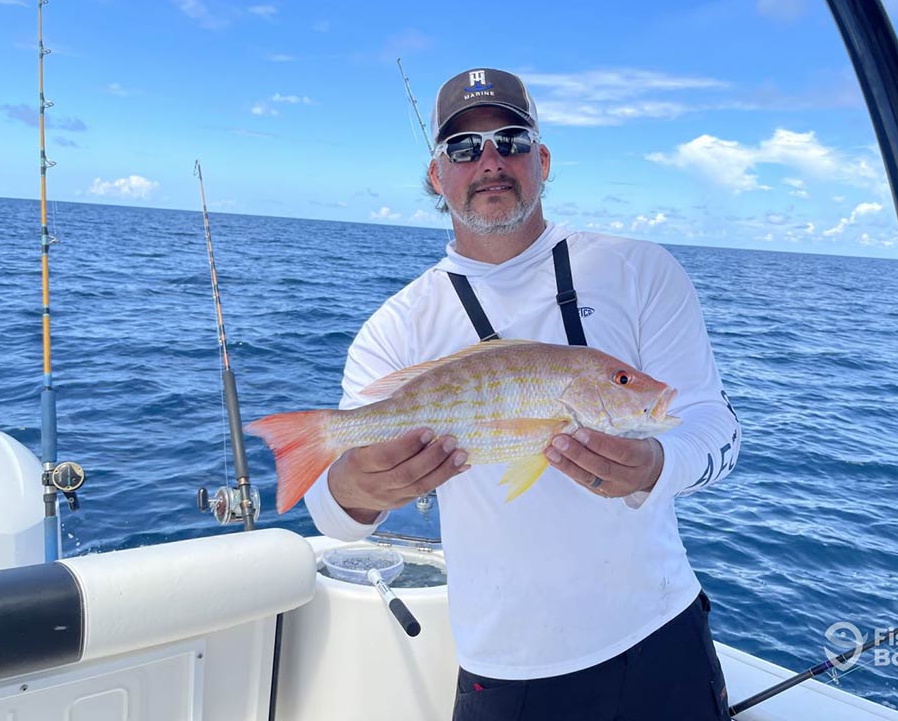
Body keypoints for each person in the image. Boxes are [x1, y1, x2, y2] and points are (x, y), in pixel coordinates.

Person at [304, 67, 741, 720]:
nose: (489, 161)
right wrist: (363, 486)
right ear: (436, 175)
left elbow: (715, 428)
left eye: (510, 140)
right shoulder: (397, 327)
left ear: (540, 159)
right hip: (505, 671)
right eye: (463, 148)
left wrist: (658, 465)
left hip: (661, 637)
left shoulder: (640, 269)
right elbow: (330, 516)